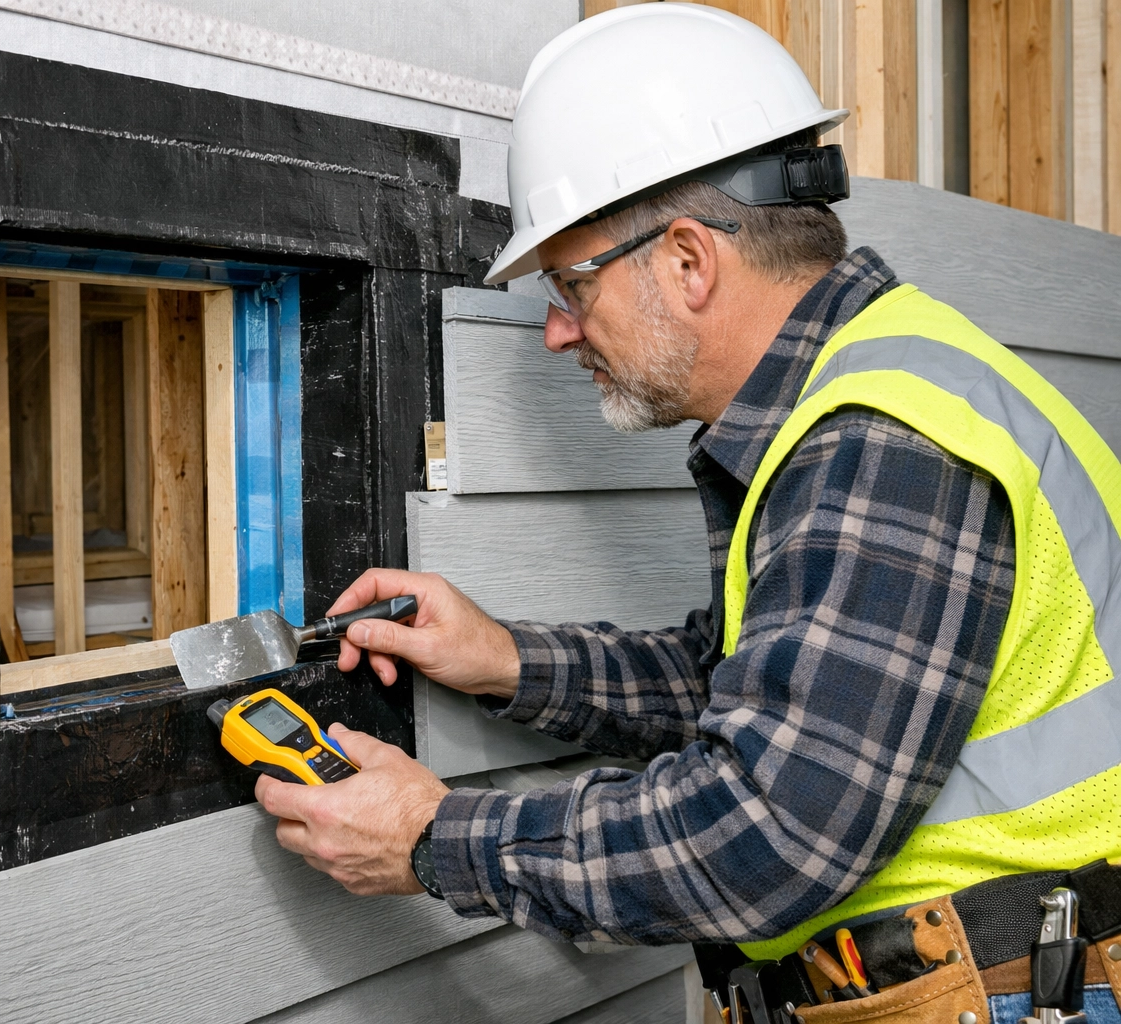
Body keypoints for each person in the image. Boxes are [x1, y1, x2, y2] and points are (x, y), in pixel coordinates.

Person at [254, 6, 1121, 1024]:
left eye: (573, 283)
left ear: (687, 261)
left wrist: (434, 836)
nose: (555, 331)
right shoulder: (860, 396)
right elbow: (753, 695)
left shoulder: (884, 438)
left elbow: (766, 835)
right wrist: (505, 659)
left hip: (1010, 988)